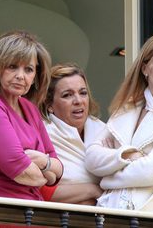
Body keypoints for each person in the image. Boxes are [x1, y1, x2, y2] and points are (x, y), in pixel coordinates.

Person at [85, 33, 153, 214]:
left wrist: (106, 178)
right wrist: (126, 155)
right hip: (110, 211)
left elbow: (152, 171)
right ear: (145, 69)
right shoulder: (126, 108)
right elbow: (91, 158)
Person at [0, 30, 63, 200]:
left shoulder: (29, 108)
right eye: (12, 66)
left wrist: (43, 162)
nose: (20, 76)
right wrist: (47, 171)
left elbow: (58, 168)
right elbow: (22, 172)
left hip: (30, 210)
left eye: (28, 69)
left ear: (35, 77)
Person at [39, 63, 104, 205]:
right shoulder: (41, 135)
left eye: (83, 93)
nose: (78, 101)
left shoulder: (105, 131)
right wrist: (92, 190)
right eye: (67, 95)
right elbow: (38, 192)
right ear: (49, 104)